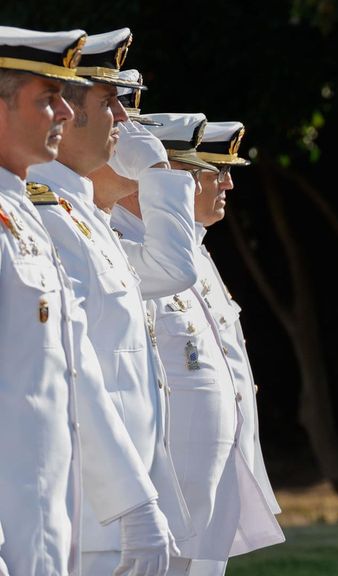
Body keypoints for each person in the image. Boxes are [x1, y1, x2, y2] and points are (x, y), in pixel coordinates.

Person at [0, 26, 175, 576]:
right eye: (47, 99)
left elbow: (77, 371)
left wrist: (135, 502)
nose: (64, 115)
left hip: (51, 522)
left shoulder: (26, 213)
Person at [111, 113, 285, 576]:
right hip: (163, 489)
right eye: (212, 171)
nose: (226, 184)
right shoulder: (124, 249)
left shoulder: (197, 254)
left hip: (208, 482)